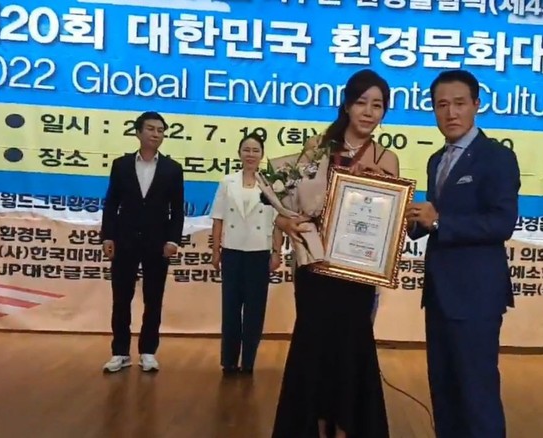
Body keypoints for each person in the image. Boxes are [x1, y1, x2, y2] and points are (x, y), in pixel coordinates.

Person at [271, 69, 399, 438]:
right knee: (313, 345)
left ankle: (348, 426)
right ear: (346, 105)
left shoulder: (386, 158)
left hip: (356, 272)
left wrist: (379, 184)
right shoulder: (318, 147)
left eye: (377, 105)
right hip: (314, 267)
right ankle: (312, 426)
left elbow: (391, 220)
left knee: (351, 347)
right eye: (362, 102)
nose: (369, 112)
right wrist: (284, 221)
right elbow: (286, 201)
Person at [406, 69, 521, 437]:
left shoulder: (497, 157)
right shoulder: (436, 160)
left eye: (459, 103)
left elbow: (501, 223)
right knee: (444, 391)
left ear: (476, 105)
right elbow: (434, 219)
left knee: (477, 393)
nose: (450, 113)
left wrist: (439, 221)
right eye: (442, 105)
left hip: (476, 296)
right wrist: (408, 219)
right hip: (439, 294)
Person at [100, 111, 185, 373]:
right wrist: (107, 236)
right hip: (124, 240)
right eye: (150, 129)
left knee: (153, 298)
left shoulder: (172, 169)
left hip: (157, 243)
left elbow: (177, 210)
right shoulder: (121, 165)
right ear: (138, 132)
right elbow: (111, 204)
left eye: (160, 130)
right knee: (121, 298)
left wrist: (173, 240)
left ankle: (148, 351)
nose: (155, 134)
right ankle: (120, 352)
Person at [209, 133, 283, 376]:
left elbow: (277, 222)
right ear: (239, 153)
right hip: (232, 251)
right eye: (246, 150)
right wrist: (216, 250)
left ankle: (249, 361)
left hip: (259, 252)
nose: (250, 154)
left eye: (255, 150)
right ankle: (229, 361)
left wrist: (276, 252)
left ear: (262, 155)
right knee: (230, 308)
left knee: (254, 310)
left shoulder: (271, 184)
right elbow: (218, 218)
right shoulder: (227, 181)